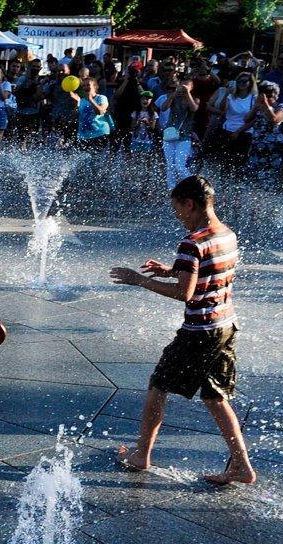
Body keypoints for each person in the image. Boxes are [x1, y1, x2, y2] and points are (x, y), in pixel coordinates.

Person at [111, 175, 255, 486]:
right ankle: (241, 466)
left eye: (178, 210)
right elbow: (211, 273)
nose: (178, 217)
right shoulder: (227, 234)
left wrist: (140, 280)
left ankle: (141, 455)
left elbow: (184, 293)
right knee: (215, 397)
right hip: (225, 326)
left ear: (190, 204)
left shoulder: (192, 242)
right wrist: (171, 269)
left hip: (199, 331)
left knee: (158, 385)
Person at [157, 76, 198, 190]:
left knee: (179, 166)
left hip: (184, 137)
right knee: (170, 166)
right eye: (182, 86)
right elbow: (163, 108)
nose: (183, 89)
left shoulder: (194, 99)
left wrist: (187, 94)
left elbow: (194, 108)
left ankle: (196, 184)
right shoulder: (174, 97)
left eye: (186, 86)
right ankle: (172, 190)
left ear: (191, 87)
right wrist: (174, 94)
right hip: (169, 135)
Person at [244, 80, 283, 183]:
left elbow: (275, 119)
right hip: (257, 145)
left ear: (276, 95)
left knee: (271, 177)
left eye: (269, 95)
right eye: (264, 95)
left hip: (273, 147)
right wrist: (256, 107)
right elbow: (246, 120)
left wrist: (266, 106)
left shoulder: (281, 106)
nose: (267, 98)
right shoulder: (258, 107)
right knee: (253, 175)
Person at [75, 77, 112, 149]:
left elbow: (100, 112)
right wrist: (75, 103)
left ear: (95, 86)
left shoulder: (101, 98)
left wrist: (91, 99)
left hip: (100, 133)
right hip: (83, 135)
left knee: (97, 158)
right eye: (84, 86)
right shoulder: (81, 100)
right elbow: (76, 117)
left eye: (88, 85)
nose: (86, 87)